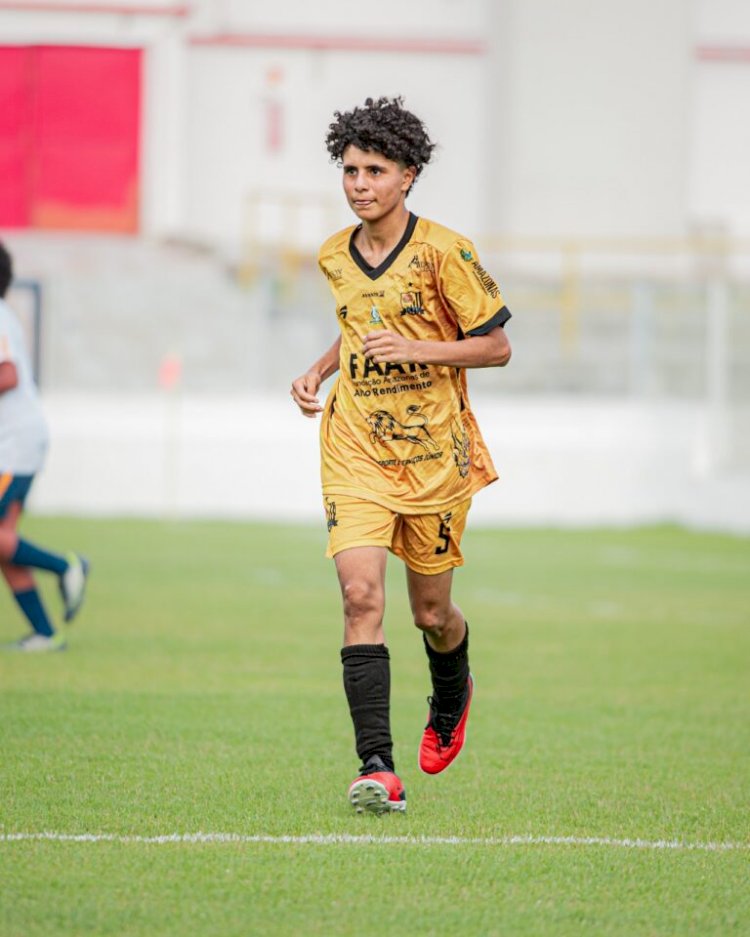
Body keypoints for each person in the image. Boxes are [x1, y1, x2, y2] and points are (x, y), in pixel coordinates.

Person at [290, 97, 512, 815]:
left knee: (430, 613)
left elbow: (497, 345)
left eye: (374, 171)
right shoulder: (333, 253)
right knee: (360, 596)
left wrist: (418, 347)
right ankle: (376, 766)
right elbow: (360, 327)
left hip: (435, 459)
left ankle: (452, 691)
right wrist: (319, 371)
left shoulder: (448, 252)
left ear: (408, 176)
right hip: (355, 448)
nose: (358, 184)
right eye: (349, 170)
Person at [0, 240, 89, 652]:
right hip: (17, 440)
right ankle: (46, 633)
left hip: (13, 444)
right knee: (4, 541)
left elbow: (9, 375)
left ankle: (65, 565)